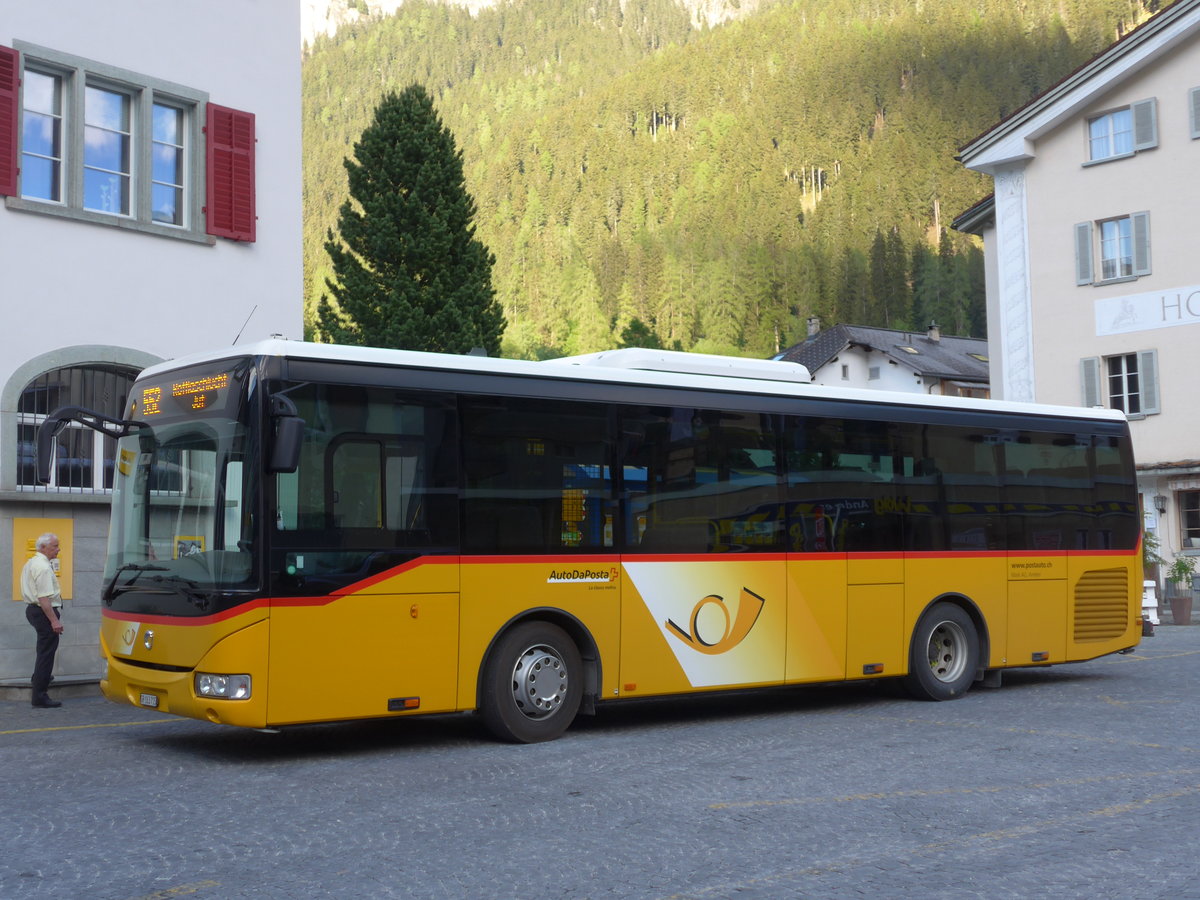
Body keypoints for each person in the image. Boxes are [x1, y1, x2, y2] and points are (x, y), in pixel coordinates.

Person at [21, 533, 64, 709]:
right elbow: (44, 598)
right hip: (43, 612)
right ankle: (39, 695)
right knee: (47, 653)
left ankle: (39, 678)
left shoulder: (32, 562)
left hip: (34, 611)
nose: (58, 549)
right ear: (43, 547)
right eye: (54, 546)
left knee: (43, 649)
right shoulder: (43, 567)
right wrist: (54, 621)